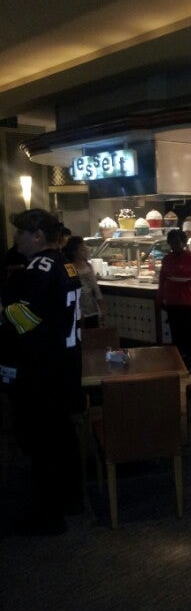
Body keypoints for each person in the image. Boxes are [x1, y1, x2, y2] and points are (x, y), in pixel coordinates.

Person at [0, 208, 84, 535]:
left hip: (41, 371)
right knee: (62, 436)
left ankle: (49, 516)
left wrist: (6, 306)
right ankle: (71, 499)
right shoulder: (64, 263)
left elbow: (25, 320)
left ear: (37, 235)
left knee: (42, 443)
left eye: (21, 232)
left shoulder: (38, 268)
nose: (16, 238)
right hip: (64, 366)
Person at [156, 229, 191, 374]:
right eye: (172, 243)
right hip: (172, 301)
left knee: (188, 332)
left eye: (177, 243)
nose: (175, 246)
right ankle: (179, 360)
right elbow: (162, 280)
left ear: (184, 243)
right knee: (175, 332)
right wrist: (160, 299)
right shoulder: (167, 259)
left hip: (189, 301)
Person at [63, 235, 105, 328]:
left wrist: (101, 306)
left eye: (85, 248)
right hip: (78, 309)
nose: (86, 251)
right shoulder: (70, 268)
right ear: (74, 252)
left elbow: (95, 288)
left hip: (92, 307)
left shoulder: (88, 265)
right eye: (82, 249)